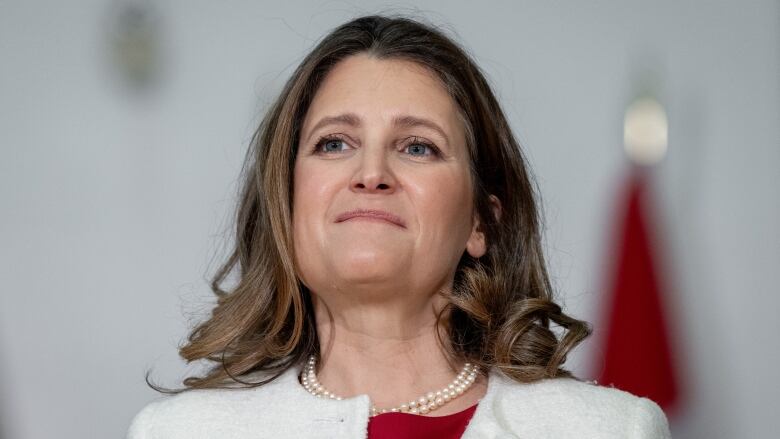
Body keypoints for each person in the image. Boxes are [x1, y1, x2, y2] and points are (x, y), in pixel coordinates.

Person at [127, 14, 671, 439]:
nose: (371, 173)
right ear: (285, 205)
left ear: (481, 221)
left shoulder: (610, 432)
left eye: (417, 147)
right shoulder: (176, 434)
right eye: (333, 143)